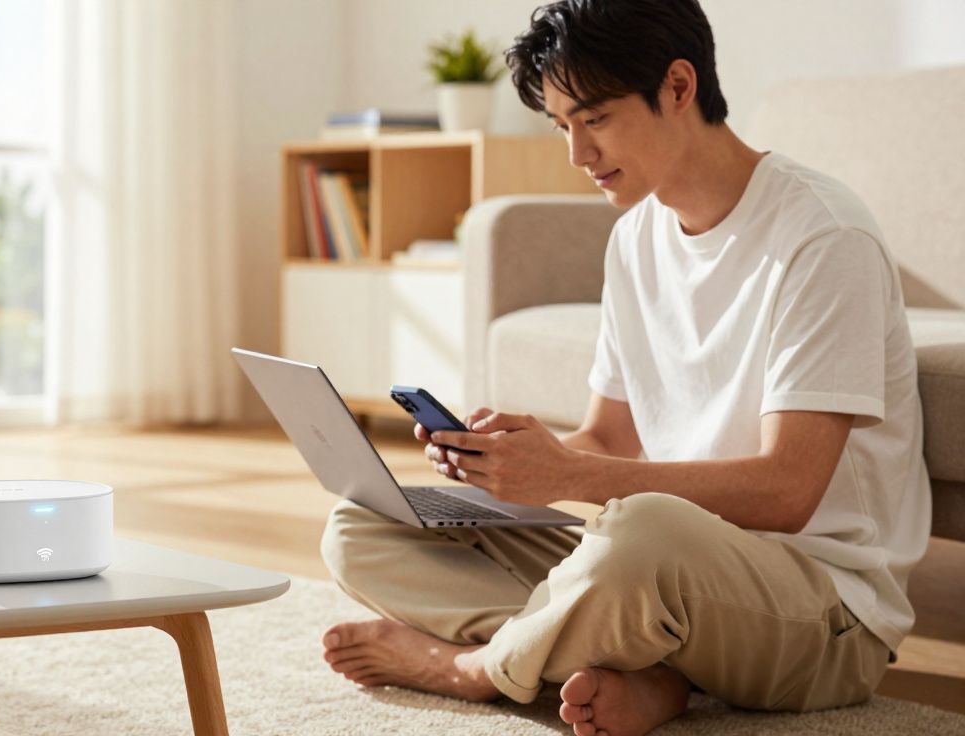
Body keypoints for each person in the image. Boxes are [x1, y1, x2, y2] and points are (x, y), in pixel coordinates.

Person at [317, 1, 931, 735]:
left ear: (679, 87)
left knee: (640, 534)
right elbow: (608, 441)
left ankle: (474, 668)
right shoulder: (636, 237)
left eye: (596, 118)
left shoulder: (823, 237)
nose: (578, 153)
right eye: (561, 126)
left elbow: (787, 492)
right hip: (663, 570)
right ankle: (649, 669)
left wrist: (573, 477)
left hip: (823, 611)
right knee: (362, 526)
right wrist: (510, 466)